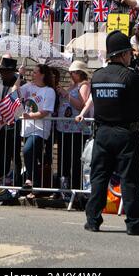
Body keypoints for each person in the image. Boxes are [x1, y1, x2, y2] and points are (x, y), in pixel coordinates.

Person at [85, 30, 139, 235]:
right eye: (129, 53)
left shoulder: (97, 76)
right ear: (123, 54)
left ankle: (93, 219)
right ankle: (133, 222)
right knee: (129, 178)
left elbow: (97, 103)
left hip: (102, 133)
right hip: (125, 133)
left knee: (99, 177)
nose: (131, 56)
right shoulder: (131, 77)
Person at [13, 64, 56, 196]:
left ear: (42, 75)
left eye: (35, 72)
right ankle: (37, 187)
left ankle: (30, 179)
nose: (32, 74)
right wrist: (19, 75)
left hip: (40, 129)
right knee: (33, 156)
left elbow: (45, 112)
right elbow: (14, 91)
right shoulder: (29, 87)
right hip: (27, 128)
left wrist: (29, 115)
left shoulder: (49, 91)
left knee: (27, 150)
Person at [0, 56, 23, 186]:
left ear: (12, 72)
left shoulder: (19, 84)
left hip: (13, 125)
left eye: (6, 71)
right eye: (1, 71)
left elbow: (19, 103)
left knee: (14, 155)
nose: (3, 73)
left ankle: (17, 183)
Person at [56, 61, 91, 191]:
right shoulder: (72, 85)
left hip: (76, 129)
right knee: (64, 158)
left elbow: (81, 105)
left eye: (73, 72)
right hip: (64, 127)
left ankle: (76, 189)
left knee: (75, 159)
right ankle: (63, 188)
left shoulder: (84, 85)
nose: (71, 74)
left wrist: (66, 94)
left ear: (80, 73)